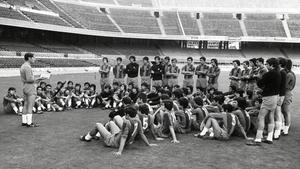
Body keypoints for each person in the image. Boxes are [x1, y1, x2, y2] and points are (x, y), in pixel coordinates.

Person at [80, 107, 157, 156]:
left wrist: (119, 151)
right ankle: (98, 135)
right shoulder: (138, 121)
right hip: (117, 136)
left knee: (98, 124)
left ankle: (87, 138)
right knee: (111, 122)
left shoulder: (127, 123)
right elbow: (141, 134)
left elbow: (123, 138)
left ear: (127, 115)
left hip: (112, 141)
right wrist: (148, 144)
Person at [247, 58, 281, 146]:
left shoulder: (269, 73)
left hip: (268, 97)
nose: (266, 65)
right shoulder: (278, 73)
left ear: (271, 65)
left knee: (261, 117)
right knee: (271, 117)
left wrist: (258, 76)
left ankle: (258, 138)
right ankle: (269, 137)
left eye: (267, 64)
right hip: (275, 97)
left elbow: (260, 84)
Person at [20, 53, 45, 127]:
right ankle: (29, 123)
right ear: (29, 58)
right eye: (34, 57)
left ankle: (24, 122)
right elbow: (30, 79)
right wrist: (39, 78)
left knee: (26, 104)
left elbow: (27, 79)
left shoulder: (23, 66)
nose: (35, 59)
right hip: (30, 87)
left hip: (25, 86)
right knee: (30, 105)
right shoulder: (27, 67)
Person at [281, 59, 296, 135]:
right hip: (286, 92)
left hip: (286, 93)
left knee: (286, 111)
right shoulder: (289, 73)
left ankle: (286, 127)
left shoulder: (289, 74)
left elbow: (285, 85)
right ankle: (285, 125)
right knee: (283, 111)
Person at [274, 57, 287, 140]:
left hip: (279, 94)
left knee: (277, 113)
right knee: (279, 112)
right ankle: (281, 127)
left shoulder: (281, 72)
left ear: (279, 64)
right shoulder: (283, 72)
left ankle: (277, 133)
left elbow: (279, 85)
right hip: (280, 94)